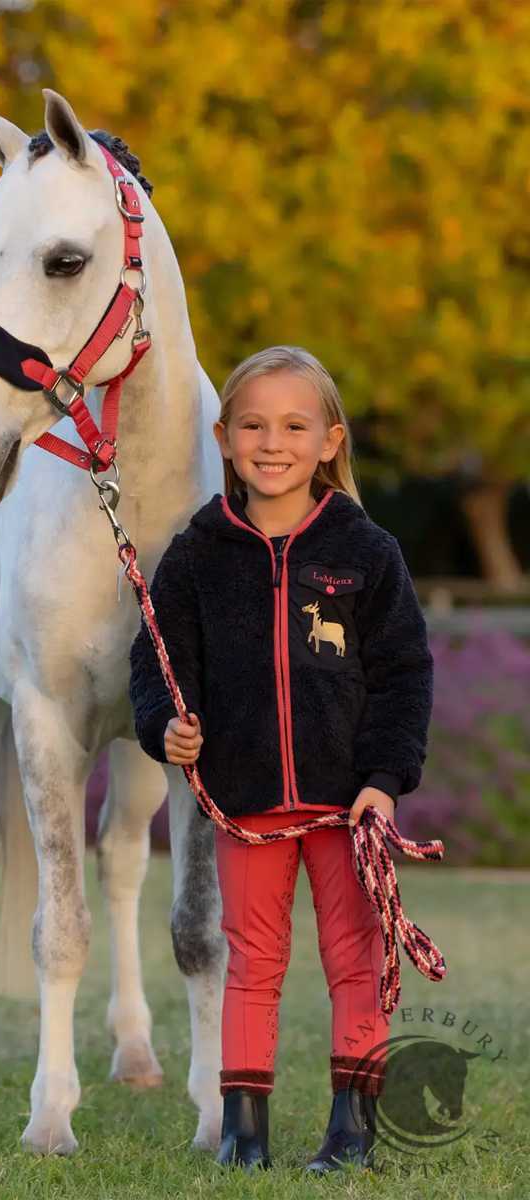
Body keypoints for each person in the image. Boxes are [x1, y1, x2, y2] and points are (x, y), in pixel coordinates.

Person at [129, 346, 434, 1173]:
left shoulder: (367, 552)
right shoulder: (197, 554)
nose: (274, 442)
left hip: (346, 806)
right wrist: (169, 725)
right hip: (247, 799)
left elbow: (404, 674)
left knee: (354, 959)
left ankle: (352, 1130)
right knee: (251, 960)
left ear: (330, 439)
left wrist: (383, 780)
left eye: (295, 425)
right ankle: (243, 1131)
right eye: (254, 425)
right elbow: (157, 660)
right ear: (225, 438)